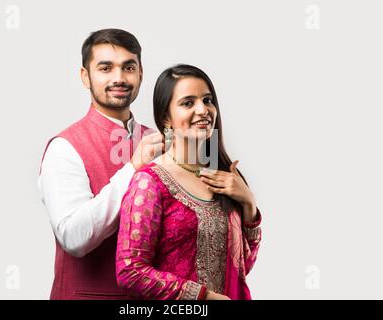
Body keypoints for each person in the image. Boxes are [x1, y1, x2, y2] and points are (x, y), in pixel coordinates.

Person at [115, 64, 262, 300]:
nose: (203, 110)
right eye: (187, 103)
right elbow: (130, 271)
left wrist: (248, 204)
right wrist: (204, 298)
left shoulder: (224, 177)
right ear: (166, 117)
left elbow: (242, 267)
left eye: (207, 100)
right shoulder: (150, 183)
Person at [37, 29, 163, 299]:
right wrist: (134, 167)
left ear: (141, 73)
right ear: (86, 76)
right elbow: (74, 237)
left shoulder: (157, 140)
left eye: (128, 67)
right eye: (105, 68)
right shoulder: (64, 147)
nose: (119, 78)